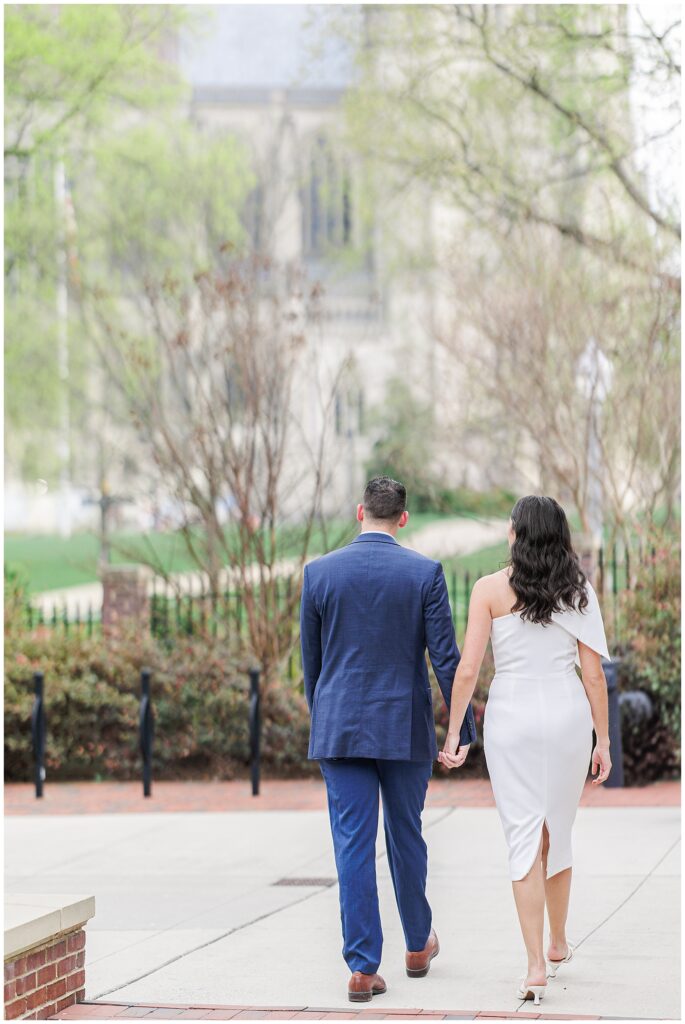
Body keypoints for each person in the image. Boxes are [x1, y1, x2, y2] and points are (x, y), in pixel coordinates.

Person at [300, 476, 476, 1003]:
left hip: (340, 728)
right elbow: (446, 657)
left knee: (352, 843)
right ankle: (418, 944)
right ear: (403, 518)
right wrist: (461, 730)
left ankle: (361, 967)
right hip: (403, 727)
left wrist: (325, 716)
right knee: (406, 835)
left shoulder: (318, 574)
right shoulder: (425, 573)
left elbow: (313, 665)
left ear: (360, 512)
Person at [440, 495, 611, 1006]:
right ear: (559, 536)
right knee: (557, 828)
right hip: (566, 718)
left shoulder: (489, 589)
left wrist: (455, 734)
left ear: (516, 534)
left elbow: (467, 670)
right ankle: (558, 941)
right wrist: (603, 740)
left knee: (522, 837)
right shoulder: (577, 589)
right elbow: (595, 675)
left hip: (511, 720)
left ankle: (536, 965)